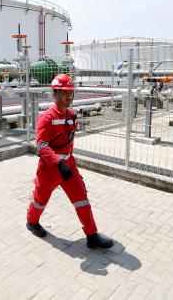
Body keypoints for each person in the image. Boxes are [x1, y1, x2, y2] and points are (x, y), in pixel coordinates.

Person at [26, 73, 114, 249]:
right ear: (55, 93)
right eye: (65, 92)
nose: (69, 96)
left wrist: (68, 163)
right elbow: (41, 145)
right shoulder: (46, 118)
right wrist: (58, 163)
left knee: (81, 197)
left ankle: (91, 234)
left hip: (69, 166)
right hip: (50, 169)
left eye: (71, 92)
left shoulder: (71, 115)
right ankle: (31, 221)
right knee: (40, 198)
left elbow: (68, 141)